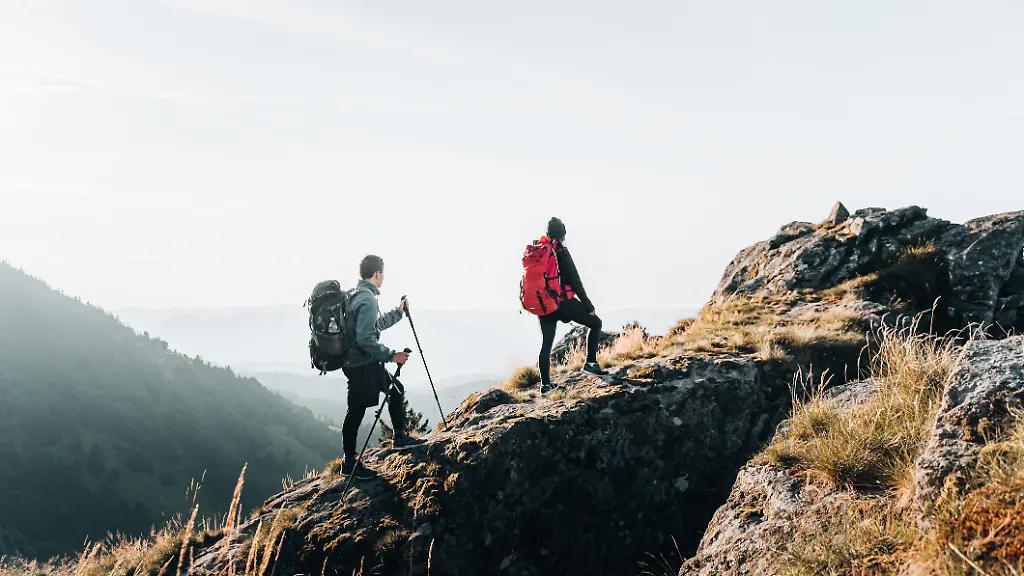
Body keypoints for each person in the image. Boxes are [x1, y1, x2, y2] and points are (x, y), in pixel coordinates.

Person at [341, 254, 425, 479]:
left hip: (357, 362)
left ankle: (399, 437)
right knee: (356, 411)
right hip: (363, 364)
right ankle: (349, 462)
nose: (383, 278)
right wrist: (392, 356)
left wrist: (398, 313)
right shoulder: (367, 299)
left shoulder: (355, 295)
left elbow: (373, 326)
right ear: (377, 274)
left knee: (395, 389)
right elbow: (365, 339)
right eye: (383, 274)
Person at [538, 217, 608, 393]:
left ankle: (545, 386)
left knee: (546, 345)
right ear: (563, 234)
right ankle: (590, 363)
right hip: (564, 304)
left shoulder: (539, 252)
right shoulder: (561, 251)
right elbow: (575, 281)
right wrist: (588, 304)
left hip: (545, 305)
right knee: (596, 323)